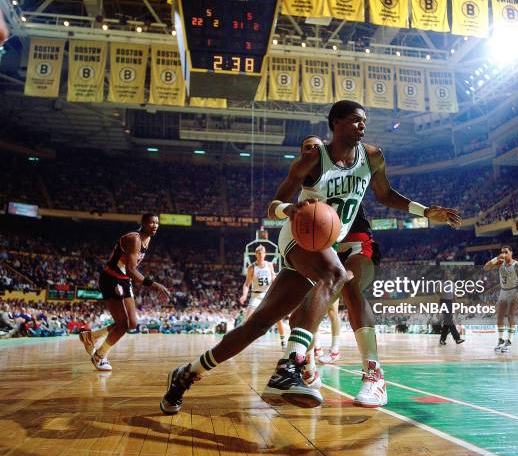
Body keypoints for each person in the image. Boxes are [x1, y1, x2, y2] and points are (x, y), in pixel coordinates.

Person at [160, 100, 461, 414]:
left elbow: (384, 195)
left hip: (324, 242)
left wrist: (425, 211)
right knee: (338, 275)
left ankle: (186, 374)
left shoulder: (372, 157)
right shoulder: (314, 160)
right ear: (335, 123)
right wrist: (288, 209)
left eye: (365, 121)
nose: (363, 126)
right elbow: (273, 204)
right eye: (356, 120)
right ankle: (290, 366)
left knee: (259, 323)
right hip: (298, 236)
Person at [298, 135, 386, 407]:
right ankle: (307, 366)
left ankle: (374, 376)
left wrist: (423, 210)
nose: (313, 150)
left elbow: (385, 193)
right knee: (306, 300)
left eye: (317, 146)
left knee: (349, 283)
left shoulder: (343, 165)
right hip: (326, 246)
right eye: (307, 149)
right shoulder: (304, 189)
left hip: (358, 239)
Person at [79, 214, 169, 371]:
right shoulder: (134, 239)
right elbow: (131, 269)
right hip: (111, 278)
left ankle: (91, 337)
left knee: (132, 323)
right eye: (151, 222)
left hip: (124, 280)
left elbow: (129, 271)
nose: (155, 225)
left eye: (157, 223)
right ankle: (99, 356)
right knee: (122, 325)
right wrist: (153, 284)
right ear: (143, 223)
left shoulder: (147, 239)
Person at [240, 244, 288, 348]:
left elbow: (273, 276)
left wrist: (275, 278)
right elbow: (247, 284)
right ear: (256, 255)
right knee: (247, 318)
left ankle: (283, 340)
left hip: (268, 294)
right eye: (259, 253)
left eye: (262, 253)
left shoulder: (269, 265)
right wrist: (244, 295)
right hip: (256, 295)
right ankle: (241, 341)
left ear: (265, 254)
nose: (261, 255)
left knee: (278, 317)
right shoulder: (251, 267)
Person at [484, 245, 518, 353]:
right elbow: (486, 268)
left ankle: (510, 341)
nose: (504, 254)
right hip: (503, 291)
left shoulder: (517, 265)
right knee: (500, 317)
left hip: (514, 290)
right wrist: (496, 258)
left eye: (506, 252)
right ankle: (501, 340)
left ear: (511, 253)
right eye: (502, 252)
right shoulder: (500, 262)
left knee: (510, 315)